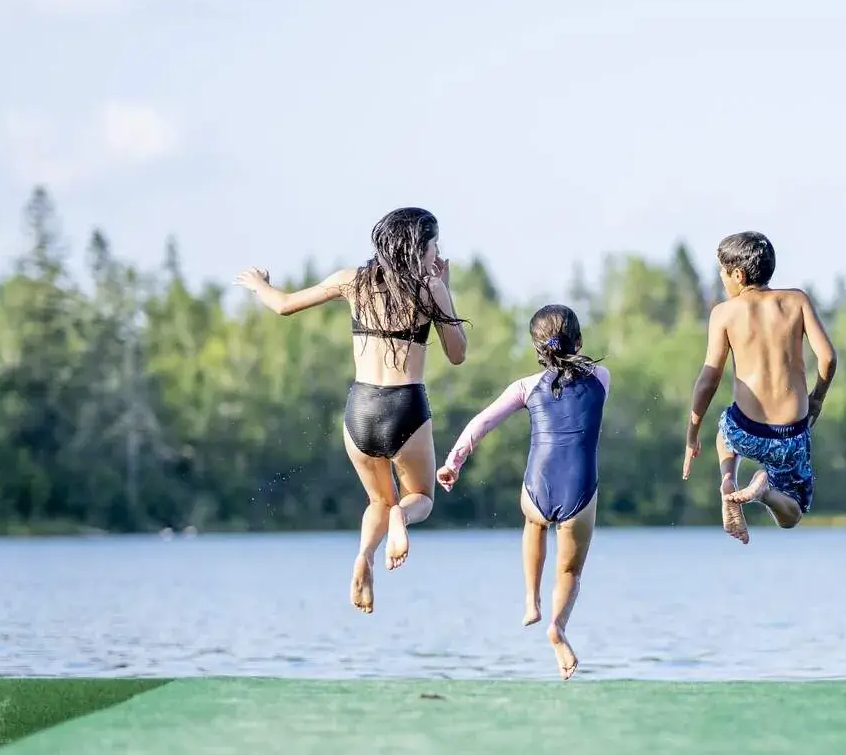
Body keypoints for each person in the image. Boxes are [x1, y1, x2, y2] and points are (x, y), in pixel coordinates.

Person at [235, 206, 467, 613]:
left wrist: (259, 286)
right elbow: (457, 353)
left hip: (359, 410)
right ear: (417, 248)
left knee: (378, 500)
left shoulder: (353, 281)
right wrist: (443, 288)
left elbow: (284, 305)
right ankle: (401, 521)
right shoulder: (430, 288)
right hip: (405, 406)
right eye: (434, 245)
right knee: (420, 498)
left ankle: (364, 556)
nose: (438, 253)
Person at [437, 305, 607, 678]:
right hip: (579, 487)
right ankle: (558, 627)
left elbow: (482, 422)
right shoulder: (601, 376)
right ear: (579, 342)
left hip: (537, 484)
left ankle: (531, 600)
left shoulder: (526, 387)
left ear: (537, 349)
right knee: (570, 571)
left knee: (534, 523)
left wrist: (454, 461)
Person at [682, 231, 838, 543]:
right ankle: (765, 492)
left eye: (722, 274)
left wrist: (691, 436)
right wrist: (817, 399)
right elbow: (829, 358)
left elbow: (709, 379)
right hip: (789, 435)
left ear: (737, 275)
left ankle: (728, 479)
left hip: (746, 430)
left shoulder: (724, 313)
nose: (722, 280)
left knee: (725, 431)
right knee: (792, 513)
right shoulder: (797, 301)